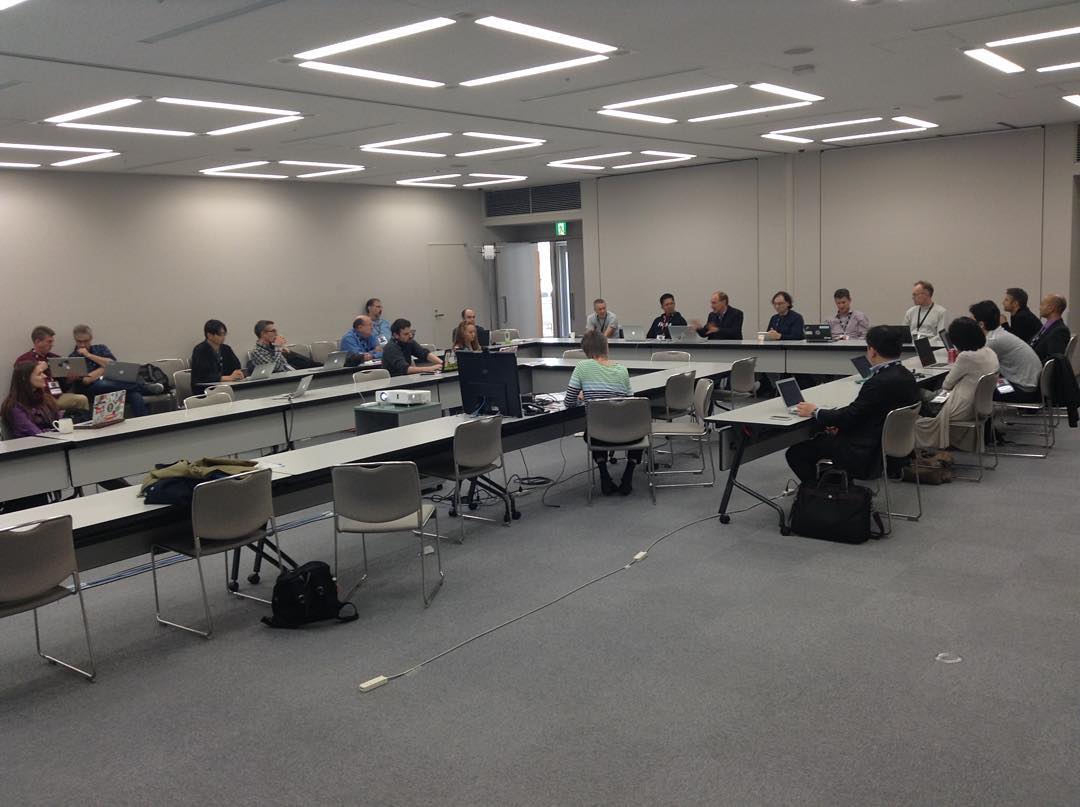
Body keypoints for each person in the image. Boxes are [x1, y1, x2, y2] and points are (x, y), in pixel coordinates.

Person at [785, 326, 920, 484]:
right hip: (890, 446)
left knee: (796, 453)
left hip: (865, 450)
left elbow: (851, 416)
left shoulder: (876, 383)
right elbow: (863, 412)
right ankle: (832, 488)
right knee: (827, 431)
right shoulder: (907, 376)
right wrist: (839, 423)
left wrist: (815, 411)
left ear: (872, 350)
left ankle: (818, 495)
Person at [562, 330, 642, 495]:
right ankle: (628, 475)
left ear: (586, 352)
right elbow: (631, 404)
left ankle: (604, 475)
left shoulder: (582, 367)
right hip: (628, 433)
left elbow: (569, 402)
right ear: (607, 347)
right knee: (640, 427)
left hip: (599, 435)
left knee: (593, 427)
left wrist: (583, 397)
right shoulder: (622, 370)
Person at [914, 317, 999, 452]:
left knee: (916, 391)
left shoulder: (966, 356)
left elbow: (947, 385)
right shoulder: (990, 352)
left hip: (959, 408)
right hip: (978, 407)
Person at [69, 324, 160, 417]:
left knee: (135, 395)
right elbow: (86, 380)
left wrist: (89, 355)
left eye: (86, 341)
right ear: (75, 339)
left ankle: (143, 425)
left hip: (115, 385)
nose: (82, 345)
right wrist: (104, 368)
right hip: (91, 390)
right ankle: (145, 387)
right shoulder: (73, 358)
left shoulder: (100, 348)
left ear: (91, 338)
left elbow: (112, 364)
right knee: (102, 383)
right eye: (79, 342)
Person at [969, 300, 1042, 403]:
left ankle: (981, 417)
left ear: (981, 324)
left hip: (1022, 390)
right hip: (1027, 385)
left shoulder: (993, 341)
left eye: (971, 321)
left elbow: (975, 365)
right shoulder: (998, 333)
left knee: (974, 388)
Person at [13, 325, 89, 413]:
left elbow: (63, 386)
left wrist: (69, 380)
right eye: (49, 342)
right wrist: (40, 368)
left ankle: (83, 423)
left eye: (52, 342)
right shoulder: (24, 360)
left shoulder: (55, 359)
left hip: (57, 395)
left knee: (81, 399)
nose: (52, 345)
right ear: (37, 342)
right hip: (39, 398)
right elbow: (22, 384)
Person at [2, 361, 60, 437]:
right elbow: (35, 433)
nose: (45, 376)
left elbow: (58, 421)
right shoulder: (14, 406)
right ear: (25, 378)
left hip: (54, 441)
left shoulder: (46, 399)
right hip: (32, 445)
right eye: (39, 374)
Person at [190, 319, 244, 393]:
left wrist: (237, 373)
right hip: (205, 390)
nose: (223, 337)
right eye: (220, 334)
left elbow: (237, 366)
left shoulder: (226, 349)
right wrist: (226, 378)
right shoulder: (200, 350)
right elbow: (202, 376)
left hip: (227, 387)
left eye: (224, 334)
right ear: (209, 335)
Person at [249, 320, 321, 372]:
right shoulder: (256, 352)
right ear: (263, 334)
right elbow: (276, 368)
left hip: (291, 373)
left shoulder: (272, 347)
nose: (276, 334)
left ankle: (320, 366)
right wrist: (278, 347)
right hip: (281, 381)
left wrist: (284, 351)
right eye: (273, 331)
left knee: (298, 358)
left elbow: (285, 365)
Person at [1029, 294, 1071, 362]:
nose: (1040, 308)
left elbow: (1052, 360)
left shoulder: (1060, 331)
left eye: (1042, 304)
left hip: (1035, 368)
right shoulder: (1047, 327)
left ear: (1051, 308)